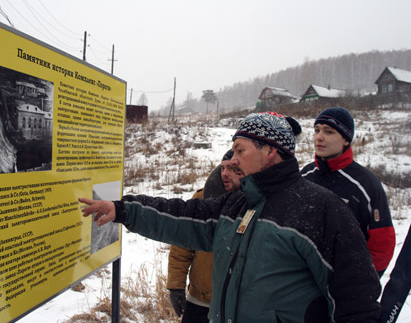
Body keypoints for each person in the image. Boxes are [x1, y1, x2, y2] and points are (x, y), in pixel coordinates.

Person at [79, 112, 382, 322]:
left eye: (240, 150)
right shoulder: (239, 203)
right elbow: (185, 215)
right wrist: (124, 209)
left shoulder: (319, 208)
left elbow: (356, 298)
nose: (232, 160)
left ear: (270, 152)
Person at [301, 107, 395, 276]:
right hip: (304, 278)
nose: (319, 137)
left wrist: (365, 285)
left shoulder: (366, 184)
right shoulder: (306, 174)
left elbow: (382, 244)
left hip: (345, 281)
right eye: (316, 130)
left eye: (328, 132)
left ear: (346, 140)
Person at [168, 150, 244, 322]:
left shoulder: (255, 202)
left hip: (238, 303)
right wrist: (175, 286)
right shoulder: (202, 198)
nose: (226, 174)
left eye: (233, 169)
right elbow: (181, 244)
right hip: (200, 299)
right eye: (223, 168)